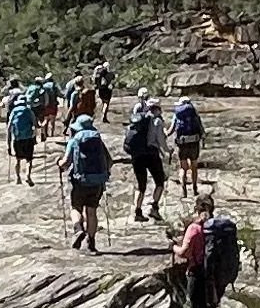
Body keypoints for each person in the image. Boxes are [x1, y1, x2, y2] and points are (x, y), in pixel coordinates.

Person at [165, 187, 242, 308]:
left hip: (197, 274)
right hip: (215, 275)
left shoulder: (195, 228)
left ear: (197, 208)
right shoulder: (215, 228)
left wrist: (173, 247)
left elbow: (185, 252)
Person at [63, 109, 112, 251]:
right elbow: (110, 161)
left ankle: (78, 229)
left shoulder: (75, 140)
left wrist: (59, 164)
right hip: (97, 182)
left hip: (80, 181)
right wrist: (105, 174)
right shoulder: (98, 140)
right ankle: (91, 243)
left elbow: (66, 162)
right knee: (92, 211)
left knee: (75, 208)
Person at [123, 91, 169, 221]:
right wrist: (167, 151)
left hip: (137, 155)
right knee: (160, 181)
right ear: (157, 109)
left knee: (141, 185)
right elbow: (160, 140)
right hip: (151, 155)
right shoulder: (156, 121)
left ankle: (138, 212)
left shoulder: (138, 119)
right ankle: (154, 208)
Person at [171, 91, 206, 200]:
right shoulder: (194, 114)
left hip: (182, 144)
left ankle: (183, 190)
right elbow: (201, 130)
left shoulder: (177, 115)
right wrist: (203, 140)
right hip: (194, 143)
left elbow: (171, 129)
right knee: (194, 167)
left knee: (183, 168)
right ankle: (195, 188)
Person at [4, 84, 39, 187]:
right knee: (29, 159)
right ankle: (28, 175)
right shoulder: (28, 110)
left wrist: (9, 145)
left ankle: (18, 178)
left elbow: (9, 126)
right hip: (28, 138)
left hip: (17, 138)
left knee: (18, 159)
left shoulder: (14, 111)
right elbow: (35, 124)